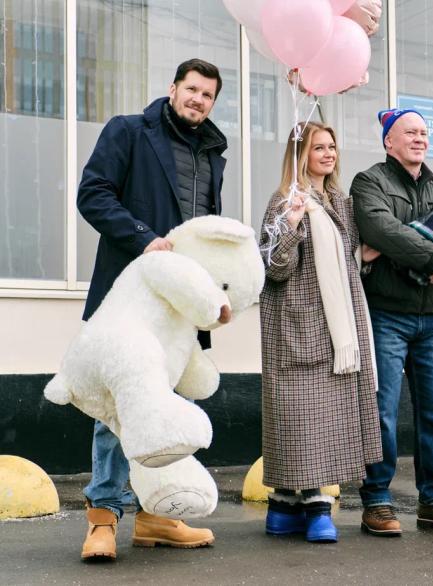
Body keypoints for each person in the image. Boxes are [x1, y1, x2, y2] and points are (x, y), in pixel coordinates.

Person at [76, 59, 227, 560]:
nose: (198, 100)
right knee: (117, 409)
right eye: (192, 90)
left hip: (180, 310)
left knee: (171, 409)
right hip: (130, 296)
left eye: (207, 94)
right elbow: (93, 194)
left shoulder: (213, 155)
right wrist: (144, 240)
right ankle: (103, 518)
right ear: (173, 89)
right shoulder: (129, 132)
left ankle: (157, 516)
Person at [258, 122, 382, 543]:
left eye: (332, 146)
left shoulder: (340, 201)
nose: (328, 154)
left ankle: (284, 508)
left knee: (323, 420)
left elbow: (349, 261)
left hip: (338, 323)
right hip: (298, 323)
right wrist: (291, 225)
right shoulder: (284, 201)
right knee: (301, 420)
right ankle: (314, 508)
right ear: (300, 154)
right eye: (318, 148)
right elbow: (274, 268)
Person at [351, 108, 433, 535]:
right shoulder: (369, 182)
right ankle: (378, 501)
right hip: (387, 313)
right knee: (382, 411)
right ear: (389, 141)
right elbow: (380, 229)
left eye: (423, 132)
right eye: (410, 132)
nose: (419, 139)